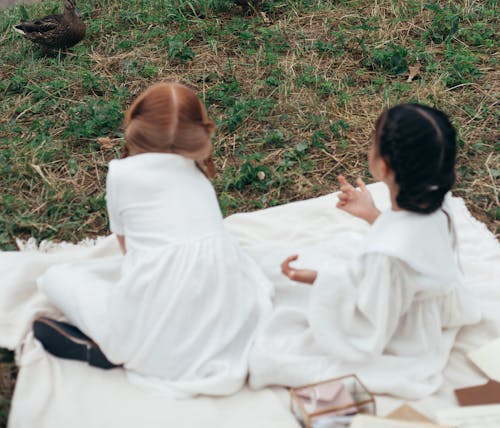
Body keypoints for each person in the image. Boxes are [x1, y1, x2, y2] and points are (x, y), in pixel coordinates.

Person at [35, 82, 272, 396]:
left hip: (157, 324)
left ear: (137, 126)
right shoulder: (198, 176)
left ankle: (113, 344)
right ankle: (130, 337)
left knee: (57, 277)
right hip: (228, 312)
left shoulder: (121, 173)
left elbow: (126, 250)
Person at [249, 103, 482, 398]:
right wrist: (372, 214)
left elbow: (370, 321)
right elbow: (412, 247)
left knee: (277, 338)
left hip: (406, 329)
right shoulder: (438, 205)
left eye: (373, 140)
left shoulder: (387, 256)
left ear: (382, 166)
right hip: (417, 299)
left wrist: (318, 279)